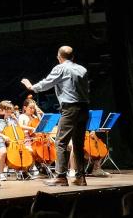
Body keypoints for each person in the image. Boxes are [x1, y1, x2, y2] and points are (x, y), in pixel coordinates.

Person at [22, 45, 90, 186]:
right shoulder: (83, 69)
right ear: (73, 57)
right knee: (78, 143)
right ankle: (81, 177)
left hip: (70, 108)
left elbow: (47, 83)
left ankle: (61, 177)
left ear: (59, 57)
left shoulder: (60, 68)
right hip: (84, 108)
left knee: (61, 142)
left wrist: (31, 87)